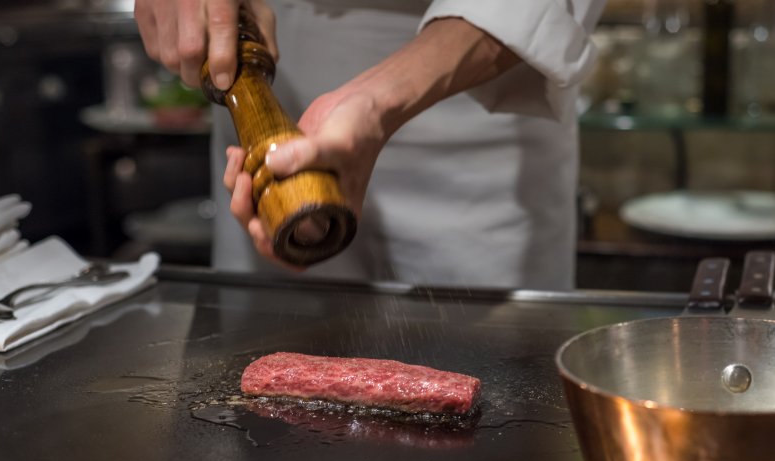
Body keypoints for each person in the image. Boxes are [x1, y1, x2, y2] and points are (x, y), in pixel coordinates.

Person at [134, 0, 605, 290]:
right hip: (267, 82)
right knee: (272, 397)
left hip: (475, 115)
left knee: (490, 387)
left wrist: (376, 103)